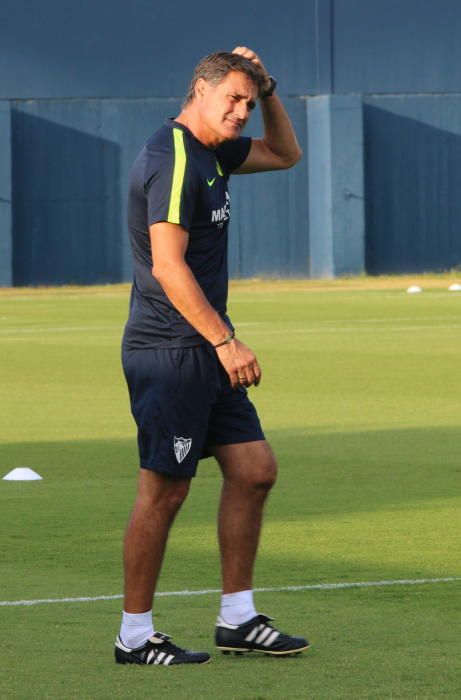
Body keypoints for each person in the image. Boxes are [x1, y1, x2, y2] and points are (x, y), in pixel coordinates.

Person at [115, 46, 309, 666]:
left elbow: (285, 154)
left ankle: (237, 619)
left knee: (254, 470)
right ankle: (135, 634)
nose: (243, 111)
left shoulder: (213, 152)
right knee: (166, 491)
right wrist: (226, 341)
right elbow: (168, 267)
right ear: (197, 92)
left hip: (203, 347)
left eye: (249, 102)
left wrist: (270, 88)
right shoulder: (172, 158)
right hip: (171, 350)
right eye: (233, 98)